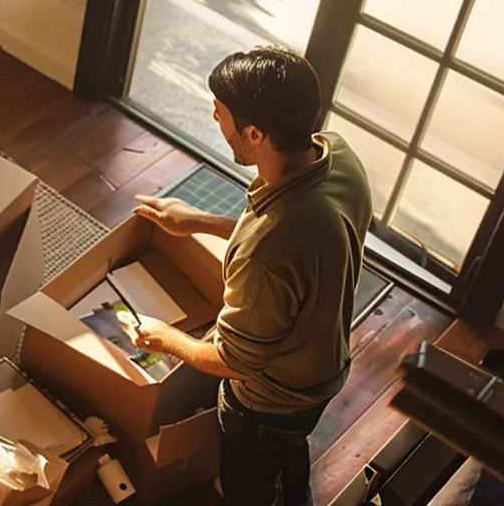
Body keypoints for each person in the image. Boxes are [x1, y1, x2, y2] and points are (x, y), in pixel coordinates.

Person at [124, 47, 373, 506]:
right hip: (324, 366)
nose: (215, 119)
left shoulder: (269, 248)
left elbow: (236, 362)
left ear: (255, 133)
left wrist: (165, 339)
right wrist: (198, 220)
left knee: (248, 486)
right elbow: (297, 241)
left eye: (220, 113)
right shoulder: (337, 155)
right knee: (288, 448)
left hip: (269, 401)